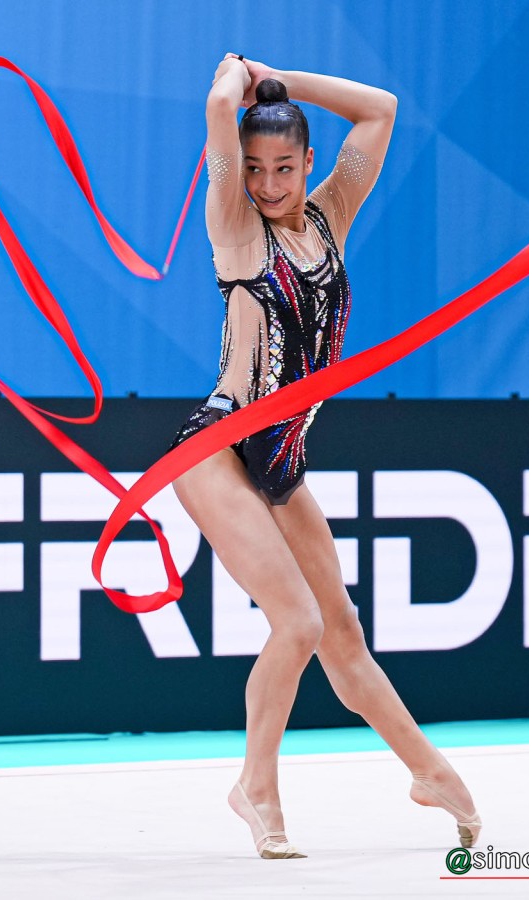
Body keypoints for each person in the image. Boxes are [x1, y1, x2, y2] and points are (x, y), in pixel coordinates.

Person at [169, 53, 482, 860]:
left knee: (342, 633)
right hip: (217, 450)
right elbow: (218, 111)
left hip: (281, 463)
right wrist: (234, 78)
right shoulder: (237, 229)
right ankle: (256, 786)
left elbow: (380, 109)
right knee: (299, 623)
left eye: (284, 167)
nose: (268, 184)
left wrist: (279, 76)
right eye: (253, 168)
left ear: (310, 163)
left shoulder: (330, 217)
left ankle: (428, 771)